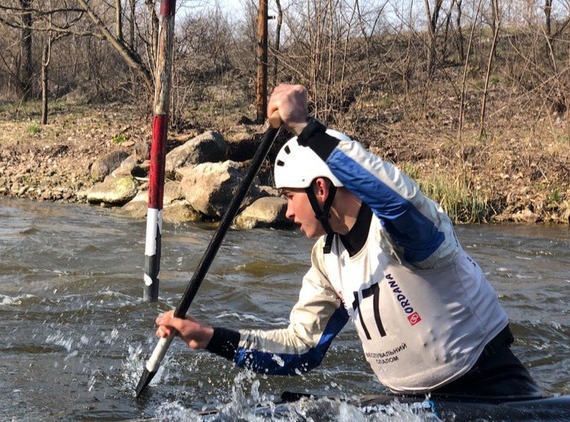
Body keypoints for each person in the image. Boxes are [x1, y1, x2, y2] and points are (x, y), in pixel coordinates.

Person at [155, 83, 541, 399]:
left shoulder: (406, 231)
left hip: (492, 390)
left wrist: (307, 128)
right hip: (413, 409)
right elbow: (300, 348)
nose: (287, 212)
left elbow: (394, 195)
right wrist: (209, 338)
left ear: (320, 190)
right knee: (291, 408)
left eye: (290, 197)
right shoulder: (327, 259)